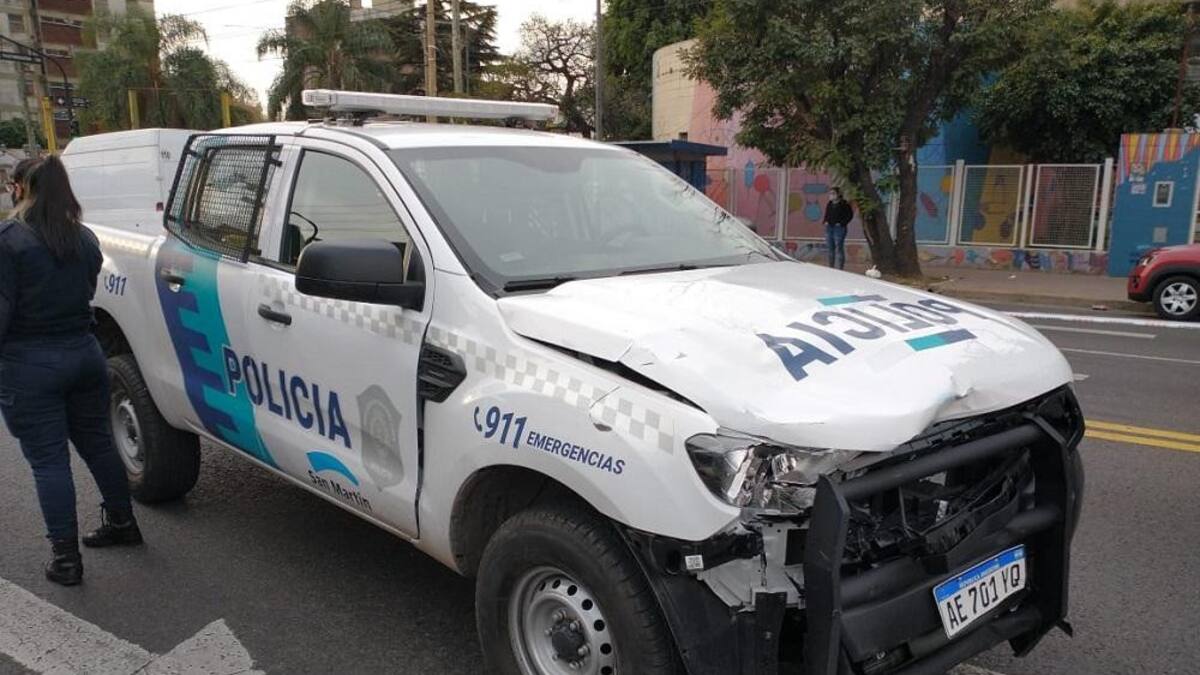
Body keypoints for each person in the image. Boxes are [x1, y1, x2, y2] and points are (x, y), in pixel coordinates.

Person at [0, 156, 143, 587]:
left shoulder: (9, 240)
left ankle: (66, 560)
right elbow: (87, 290)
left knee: (48, 462)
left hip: (30, 364)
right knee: (99, 446)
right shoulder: (84, 239)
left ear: (22, 188)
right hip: (85, 354)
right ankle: (122, 523)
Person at [823, 187, 854, 270]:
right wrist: (825, 221)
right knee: (830, 248)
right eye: (830, 194)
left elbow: (849, 215)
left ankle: (840, 268)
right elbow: (827, 214)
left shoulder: (844, 204)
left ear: (838, 194)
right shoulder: (829, 204)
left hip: (839, 228)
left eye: (833, 193)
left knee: (839, 247)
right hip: (829, 227)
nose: (831, 195)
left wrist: (841, 223)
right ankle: (831, 267)